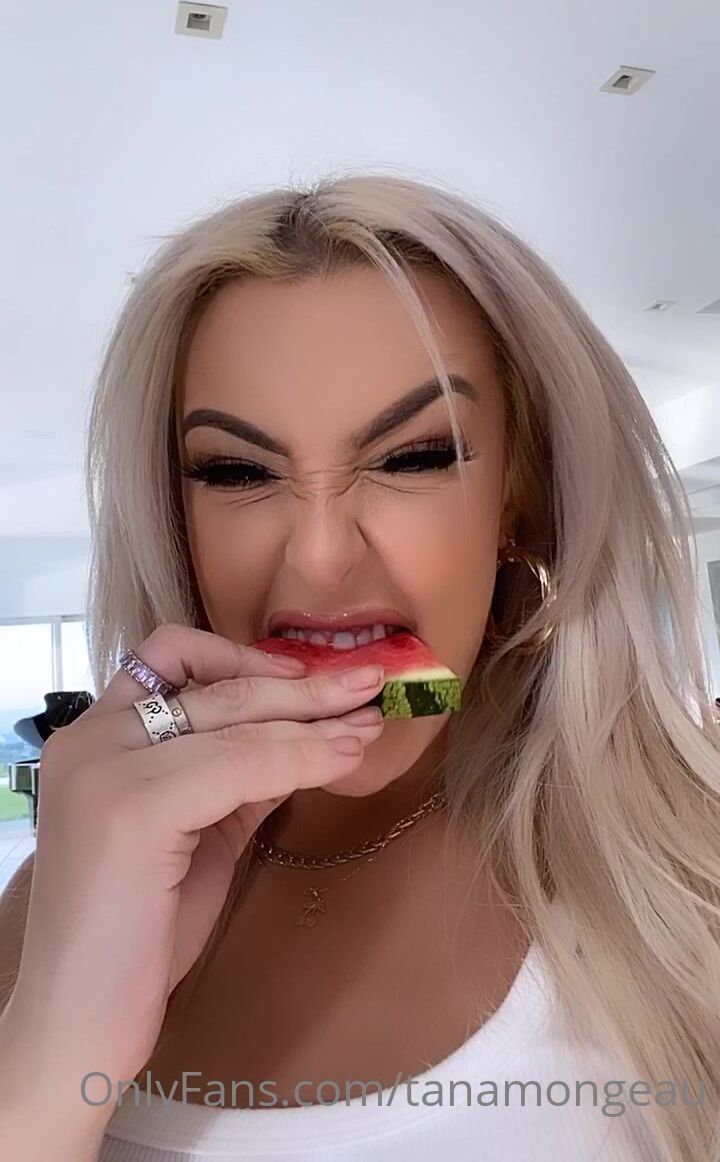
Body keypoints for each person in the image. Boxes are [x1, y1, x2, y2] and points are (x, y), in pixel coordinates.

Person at [1, 172, 718, 1162]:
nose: (320, 556)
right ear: (176, 509)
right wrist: (50, 1063)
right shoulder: (63, 897)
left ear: (518, 496)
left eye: (414, 456)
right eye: (237, 471)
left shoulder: (688, 865)